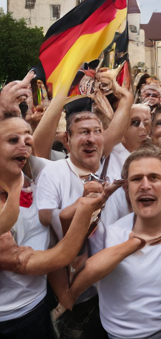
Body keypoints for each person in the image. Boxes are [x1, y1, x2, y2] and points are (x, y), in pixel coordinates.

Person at [53, 146, 161, 339]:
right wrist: (87, 205)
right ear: (126, 187)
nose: (145, 185)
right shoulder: (108, 234)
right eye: (136, 179)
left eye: (154, 177)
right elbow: (68, 249)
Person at [35, 86, 133, 338]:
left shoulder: (117, 168)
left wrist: (126, 98)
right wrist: (86, 203)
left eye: (97, 132)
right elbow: (46, 217)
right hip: (75, 298)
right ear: (67, 140)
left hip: (116, 285)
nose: (91, 138)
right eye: (83, 133)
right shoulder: (53, 172)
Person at [0, 116, 106, 339]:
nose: (25, 142)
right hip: (10, 319)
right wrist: (84, 209)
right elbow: (59, 257)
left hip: (40, 302)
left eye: (27, 137)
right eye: (12, 139)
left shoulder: (33, 175)